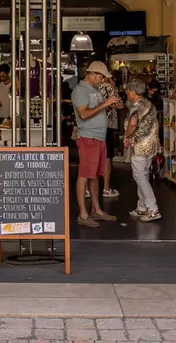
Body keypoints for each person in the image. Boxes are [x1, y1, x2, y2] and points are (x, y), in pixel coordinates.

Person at [71, 61, 121, 228]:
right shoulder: (80, 90)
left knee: (95, 175)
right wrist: (106, 104)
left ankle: (97, 210)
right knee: (85, 174)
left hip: (99, 136)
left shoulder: (95, 90)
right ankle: (83, 214)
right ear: (91, 74)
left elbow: (97, 109)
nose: (102, 80)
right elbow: (83, 114)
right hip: (88, 137)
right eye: (100, 76)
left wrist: (108, 105)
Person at [125, 79, 162, 222]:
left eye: (128, 90)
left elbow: (133, 125)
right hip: (151, 143)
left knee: (139, 176)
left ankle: (153, 208)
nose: (127, 93)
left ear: (133, 92)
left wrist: (127, 136)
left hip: (140, 144)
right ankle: (142, 207)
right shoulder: (148, 103)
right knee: (144, 175)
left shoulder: (136, 106)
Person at [98, 75, 122, 198]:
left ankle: (87, 189)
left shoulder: (90, 87)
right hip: (106, 125)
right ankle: (106, 188)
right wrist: (114, 88)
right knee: (107, 157)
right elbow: (120, 105)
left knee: (92, 157)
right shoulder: (109, 88)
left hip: (91, 126)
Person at [0, 63, 12, 132]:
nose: (1, 78)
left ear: (8, 73)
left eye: (3, 76)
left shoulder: (14, 84)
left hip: (11, 116)